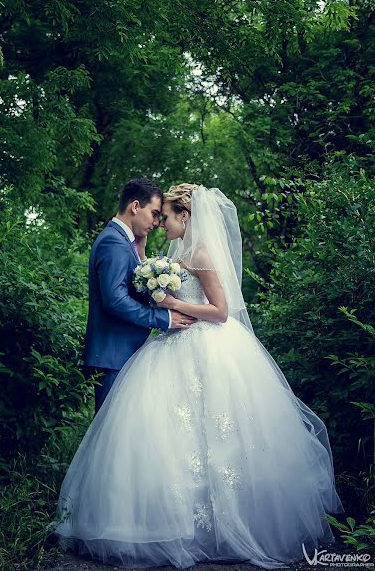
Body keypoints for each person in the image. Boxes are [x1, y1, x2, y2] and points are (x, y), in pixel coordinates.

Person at [54, 183, 344, 569]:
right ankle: (146, 516)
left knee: (213, 429)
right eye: (156, 215)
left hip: (206, 344)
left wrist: (172, 303)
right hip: (163, 343)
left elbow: (220, 310)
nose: (160, 223)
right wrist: (162, 300)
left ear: (185, 216)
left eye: (166, 216)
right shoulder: (150, 249)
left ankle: (210, 523)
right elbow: (127, 294)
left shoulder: (200, 252)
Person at [84, 178, 196, 414]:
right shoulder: (113, 242)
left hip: (120, 352)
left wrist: (141, 253)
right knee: (110, 435)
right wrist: (163, 318)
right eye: (154, 214)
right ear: (135, 206)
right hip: (113, 354)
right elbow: (115, 300)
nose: (156, 223)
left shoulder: (125, 241)